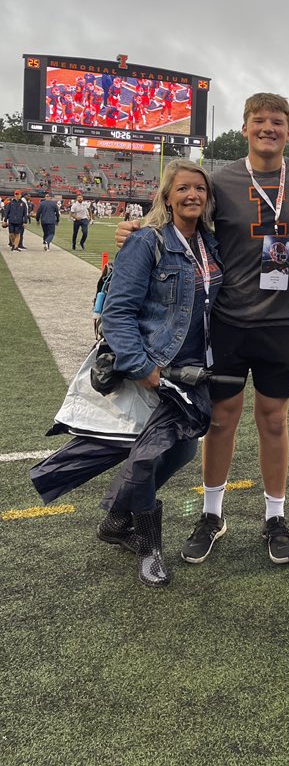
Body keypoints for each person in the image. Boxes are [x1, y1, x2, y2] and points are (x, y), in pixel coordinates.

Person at [117, 94, 289, 567]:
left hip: (282, 325)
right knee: (220, 419)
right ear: (245, 128)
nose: (268, 128)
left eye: (277, 122)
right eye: (259, 121)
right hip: (227, 322)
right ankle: (212, 514)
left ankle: (275, 517)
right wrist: (139, 228)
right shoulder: (221, 181)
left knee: (274, 420)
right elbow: (181, 215)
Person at [31, 159, 223, 587]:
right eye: (183, 188)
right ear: (166, 197)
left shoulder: (210, 243)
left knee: (182, 452)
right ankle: (148, 546)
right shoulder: (146, 242)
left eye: (199, 188)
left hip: (194, 370)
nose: (192, 195)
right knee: (148, 456)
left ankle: (117, 520)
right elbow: (117, 313)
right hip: (155, 367)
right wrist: (140, 366)